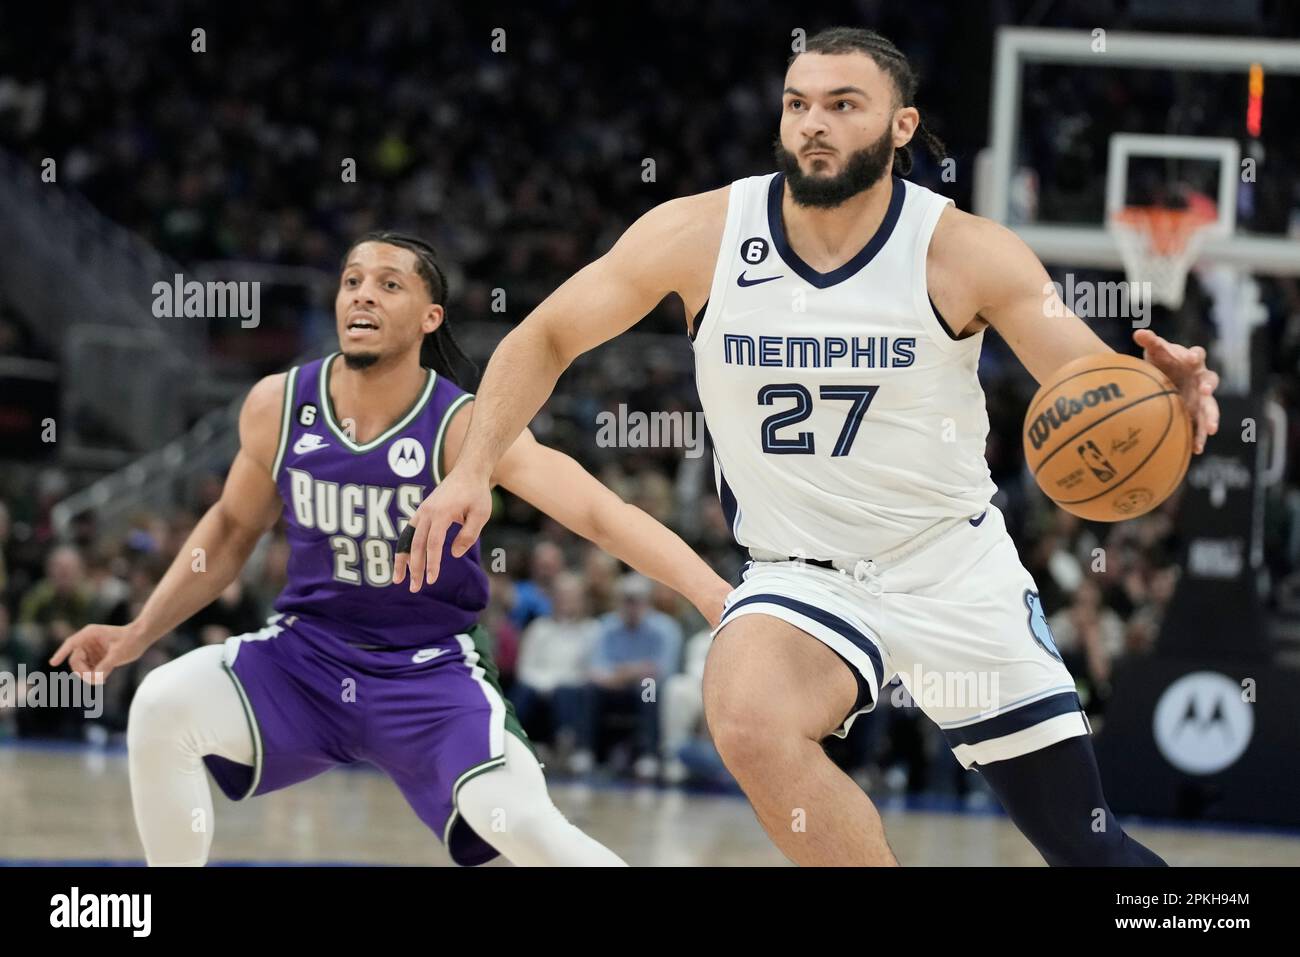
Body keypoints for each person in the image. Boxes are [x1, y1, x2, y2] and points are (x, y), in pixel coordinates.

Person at [397, 29, 1221, 866]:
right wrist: (471, 468)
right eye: (797, 105)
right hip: (800, 572)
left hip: (951, 564)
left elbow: (1083, 375)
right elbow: (544, 336)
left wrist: (1160, 395)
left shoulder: (964, 251)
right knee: (748, 713)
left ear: (902, 127)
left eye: (841, 105)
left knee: (1087, 847)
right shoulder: (702, 233)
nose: (812, 124)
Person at [52, 231, 731, 867]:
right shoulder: (278, 404)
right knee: (163, 702)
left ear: (430, 317)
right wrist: (138, 633)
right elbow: (230, 531)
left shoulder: (462, 424)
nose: (362, 294)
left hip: (429, 674)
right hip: (304, 660)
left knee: (520, 822)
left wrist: (712, 594)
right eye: (351, 281)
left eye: (387, 284)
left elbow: (599, 512)